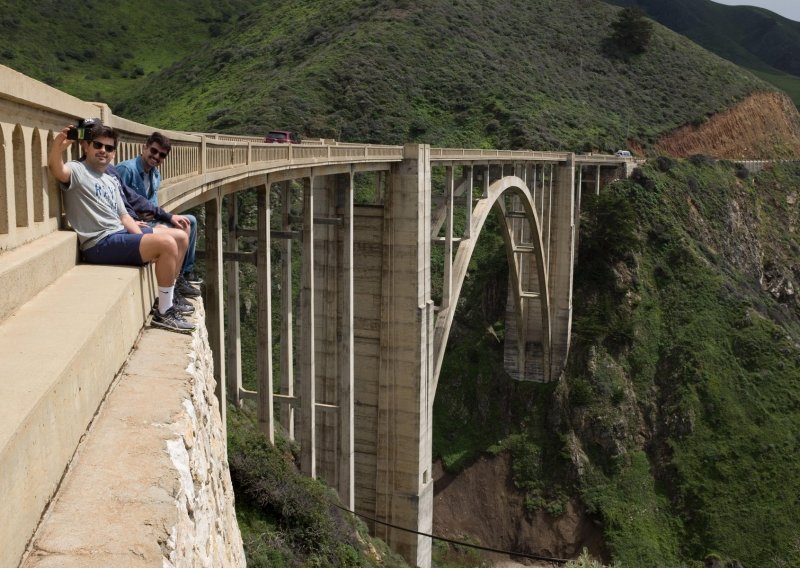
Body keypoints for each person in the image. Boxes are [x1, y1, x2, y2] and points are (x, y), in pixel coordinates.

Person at [48, 124, 195, 333]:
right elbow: (57, 170)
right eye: (98, 145)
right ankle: (164, 313)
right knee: (167, 243)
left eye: (109, 148)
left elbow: (125, 216)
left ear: (113, 153)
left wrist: (142, 241)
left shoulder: (110, 179)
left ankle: (168, 298)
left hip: (120, 233)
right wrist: (57, 148)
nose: (103, 151)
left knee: (180, 237)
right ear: (85, 146)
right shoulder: (78, 170)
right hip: (99, 243)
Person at [115, 132, 201, 297]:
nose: (156, 157)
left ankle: (183, 274)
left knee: (189, 222)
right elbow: (118, 202)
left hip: (150, 220)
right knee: (179, 230)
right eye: (153, 151)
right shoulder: (127, 170)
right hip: (133, 222)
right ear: (145, 147)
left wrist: (160, 219)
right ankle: (174, 285)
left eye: (161, 155)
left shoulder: (155, 174)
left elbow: (152, 206)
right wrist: (136, 219)